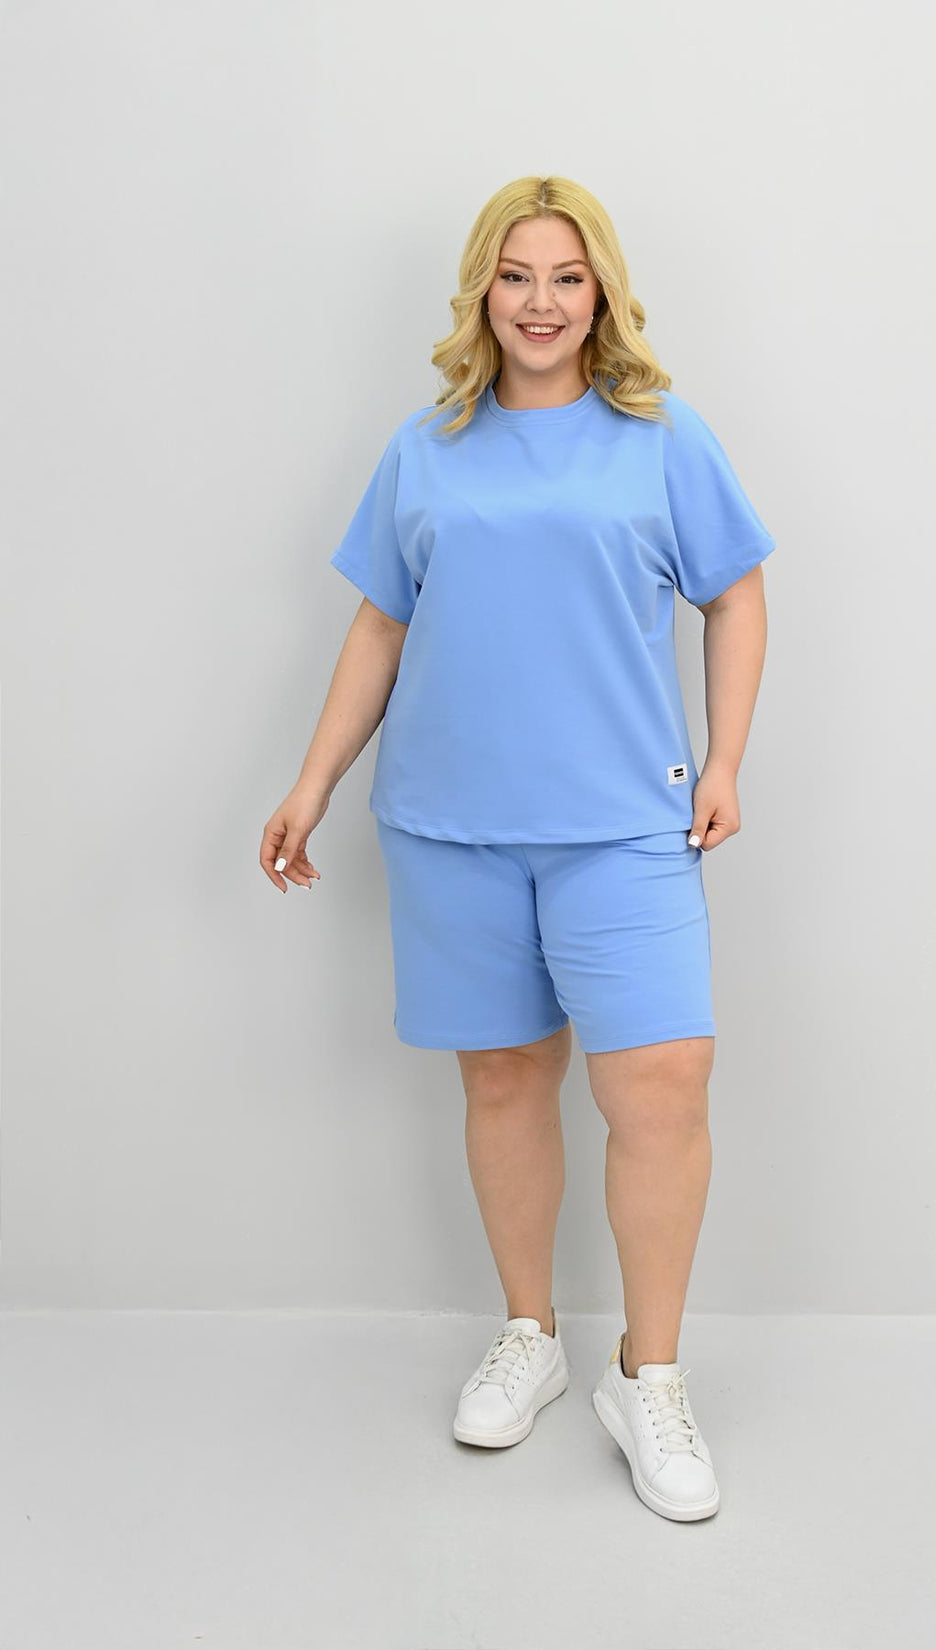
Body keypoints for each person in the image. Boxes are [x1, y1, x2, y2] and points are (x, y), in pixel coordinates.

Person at [259, 175, 776, 1523]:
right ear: (481, 291)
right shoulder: (426, 446)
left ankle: (649, 1376)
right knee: (502, 1079)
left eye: (567, 276)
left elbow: (737, 592)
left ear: (602, 293)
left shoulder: (660, 437)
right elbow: (382, 623)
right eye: (515, 275)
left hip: (625, 825)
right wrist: (313, 782)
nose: (540, 302)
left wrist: (725, 759)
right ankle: (531, 1335)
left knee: (661, 1082)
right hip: (453, 826)